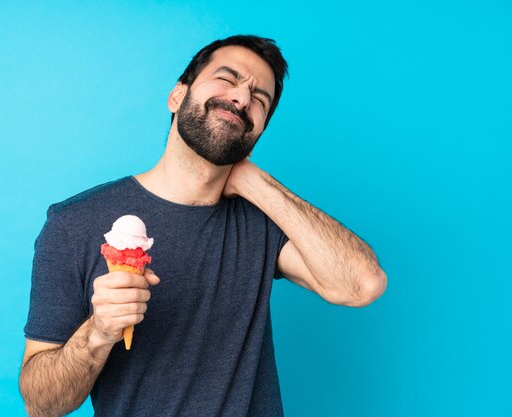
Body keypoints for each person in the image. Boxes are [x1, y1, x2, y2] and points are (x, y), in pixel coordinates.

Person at [19, 34, 387, 417]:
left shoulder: (263, 222)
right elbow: (41, 405)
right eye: (226, 79)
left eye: (259, 99)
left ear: (257, 132)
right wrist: (98, 333)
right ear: (177, 96)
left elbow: (363, 285)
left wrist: (253, 181)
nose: (242, 98)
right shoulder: (73, 223)